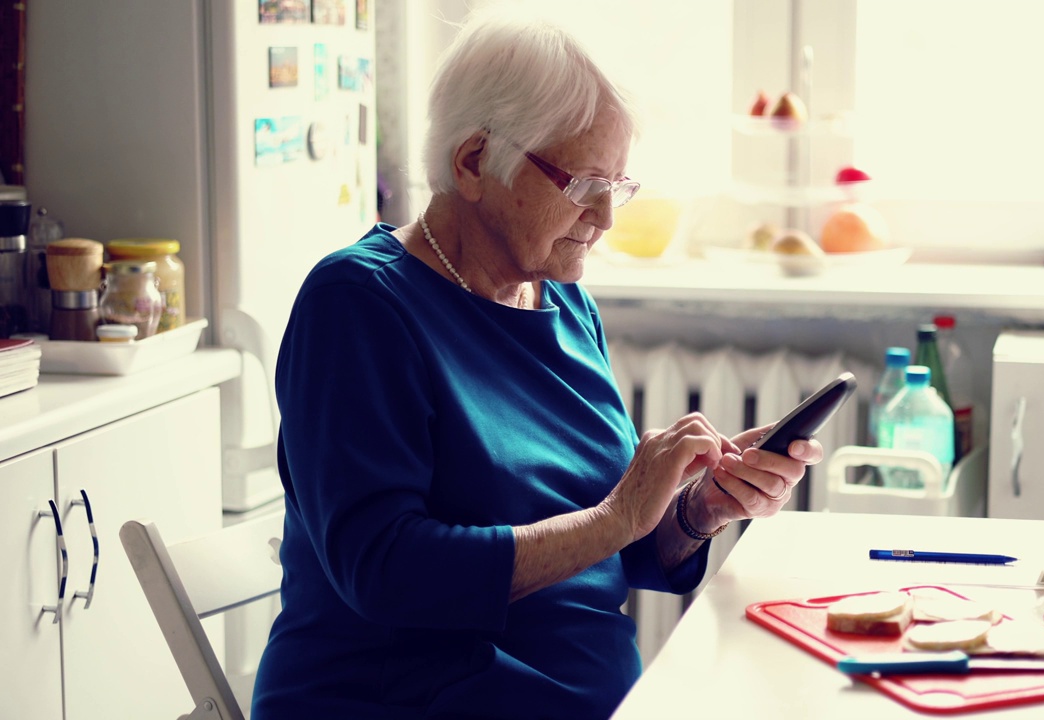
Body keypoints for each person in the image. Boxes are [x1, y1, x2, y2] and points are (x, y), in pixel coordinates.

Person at [251, 11, 822, 720]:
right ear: (472, 162)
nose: (608, 216)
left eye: (620, 184)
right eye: (583, 183)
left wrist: (698, 507)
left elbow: (611, 547)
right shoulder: (359, 305)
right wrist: (617, 516)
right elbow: (385, 571)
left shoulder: (563, 303)